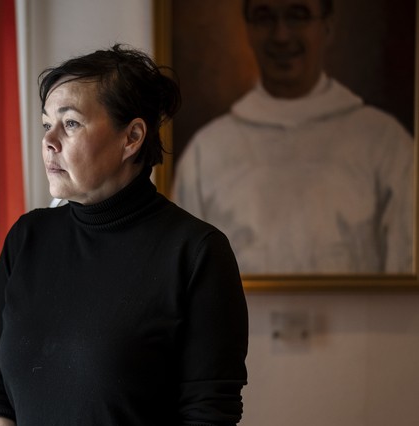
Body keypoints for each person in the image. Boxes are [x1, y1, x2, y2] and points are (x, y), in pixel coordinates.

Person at [0, 45, 248, 426]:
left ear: (132, 138)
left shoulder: (196, 252)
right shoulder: (26, 239)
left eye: (70, 123)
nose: (49, 141)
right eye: (45, 124)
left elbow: (209, 418)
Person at [173, 0, 414, 275]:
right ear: (248, 29)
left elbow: (407, 274)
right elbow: (183, 276)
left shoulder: (385, 142)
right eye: (264, 17)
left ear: (327, 25)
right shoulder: (206, 152)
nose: (281, 36)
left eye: (297, 16)